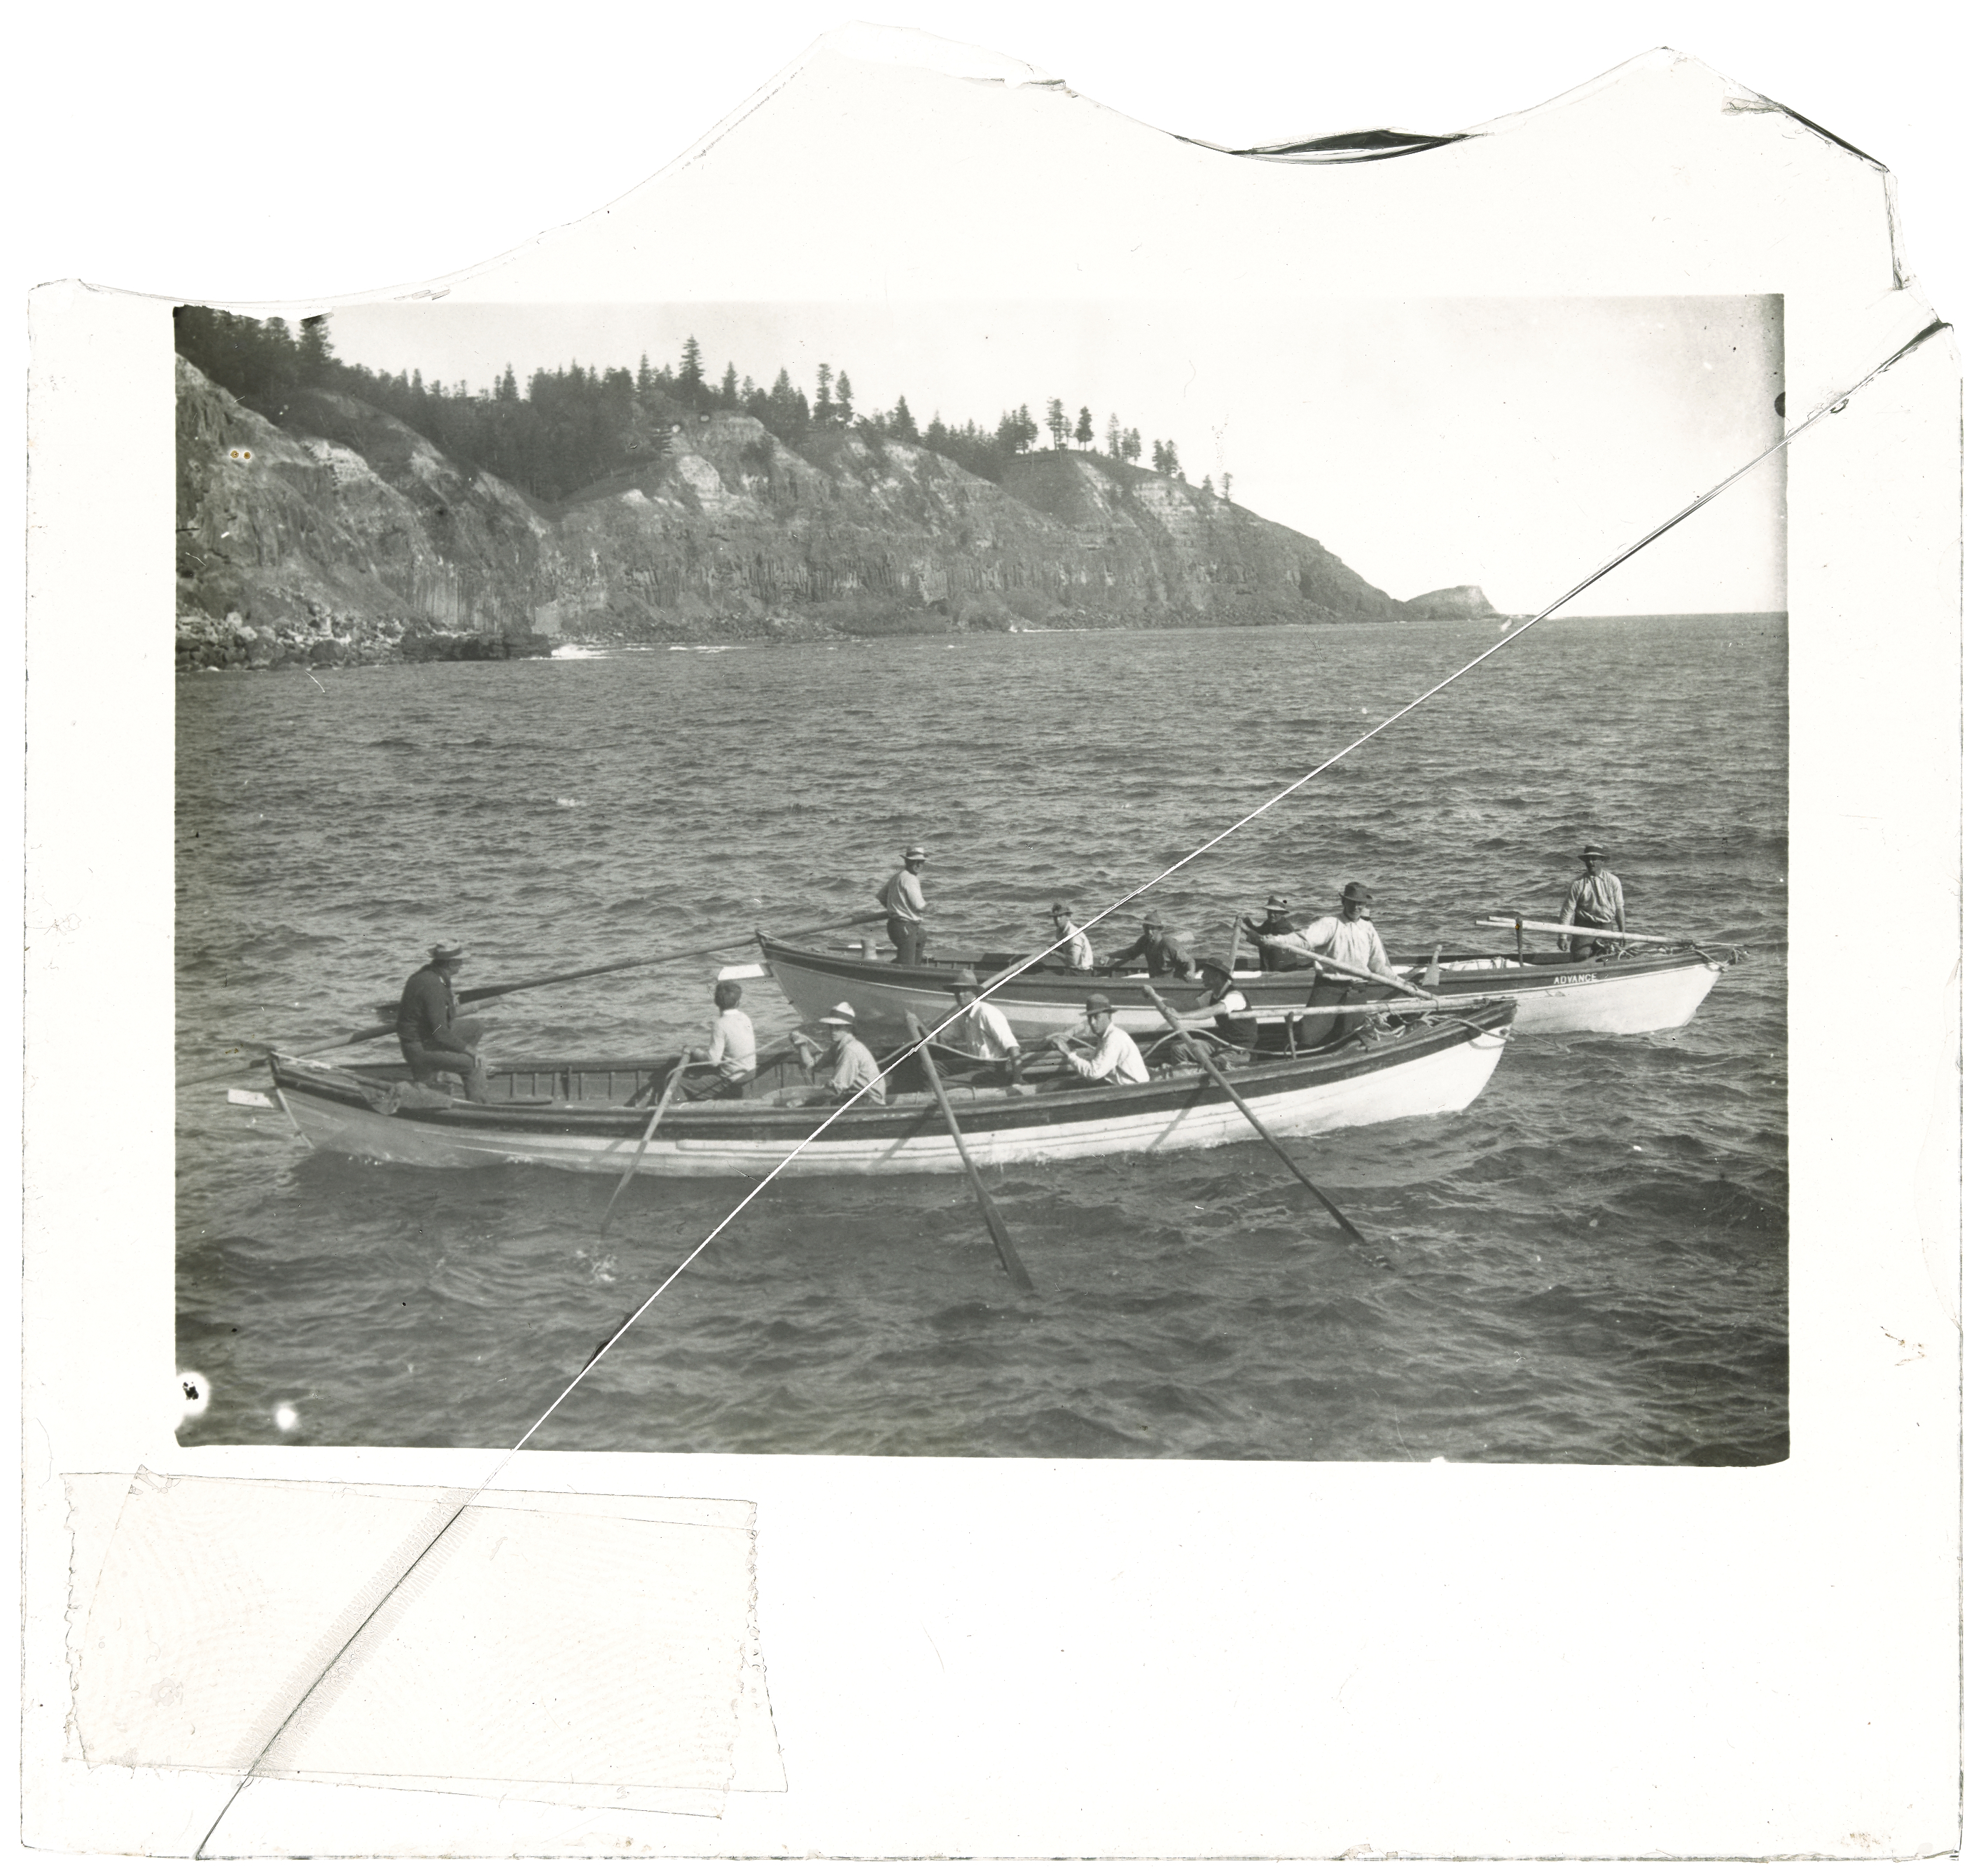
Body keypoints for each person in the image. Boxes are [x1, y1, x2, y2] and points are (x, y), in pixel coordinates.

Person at [1293, 884, 1400, 1048]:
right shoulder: (1329, 924)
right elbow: (1303, 940)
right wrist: (1277, 941)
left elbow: (1379, 966)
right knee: (1309, 1035)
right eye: (1351, 902)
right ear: (1343, 901)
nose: (1356, 907)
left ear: (1365, 905)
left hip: (1357, 992)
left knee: (1351, 1037)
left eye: (1360, 904)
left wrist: (1401, 982)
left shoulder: (1368, 929)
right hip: (1329, 990)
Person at [396, 941, 492, 1103]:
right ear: (451, 963)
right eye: (460, 961)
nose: (462, 965)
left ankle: (445, 1071)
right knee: (475, 1066)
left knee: (475, 1027)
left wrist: (449, 999)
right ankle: (480, 1108)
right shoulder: (433, 986)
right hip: (420, 1048)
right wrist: (473, 1052)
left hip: (425, 1038)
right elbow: (440, 1034)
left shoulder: (430, 974)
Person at [792, 1002, 889, 1105]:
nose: (833, 1031)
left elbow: (834, 1090)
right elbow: (811, 1064)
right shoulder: (838, 1047)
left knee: (825, 1101)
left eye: (838, 1027)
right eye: (831, 1027)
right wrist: (802, 1045)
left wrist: (802, 1100)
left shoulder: (850, 1050)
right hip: (856, 1096)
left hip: (870, 1101)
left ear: (849, 1028)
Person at [1050, 992, 1150, 1085]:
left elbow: (1093, 1073)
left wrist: (1068, 1053)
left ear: (1109, 1016)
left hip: (1132, 1090)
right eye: (1090, 1018)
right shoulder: (1106, 1037)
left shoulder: (1114, 1038)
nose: (1092, 1022)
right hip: (1120, 1086)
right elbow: (1095, 1064)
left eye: (1096, 1017)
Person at [945, 968, 1023, 1081]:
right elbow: (943, 1038)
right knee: (928, 1068)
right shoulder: (962, 1015)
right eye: (957, 990)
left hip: (992, 1069)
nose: (960, 994)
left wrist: (1017, 1080)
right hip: (974, 1064)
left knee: (941, 1084)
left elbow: (1012, 1047)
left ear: (974, 993)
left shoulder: (987, 1013)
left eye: (965, 990)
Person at [685, 978, 756, 1099]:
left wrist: (694, 1051)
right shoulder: (745, 1018)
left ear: (716, 1003)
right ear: (738, 1002)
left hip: (732, 1081)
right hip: (750, 1074)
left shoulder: (720, 1024)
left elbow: (713, 1062)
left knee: (681, 1084)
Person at [1559, 842, 1627, 959]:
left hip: (1606, 927)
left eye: (1594, 859)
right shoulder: (1578, 884)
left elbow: (1619, 908)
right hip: (1584, 928)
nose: (1590, 863)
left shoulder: (1614, 881)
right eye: (1588, 859)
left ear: (1602, 861)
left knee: (1607, 958)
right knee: (1580, 958)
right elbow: (1567, 911)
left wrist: (1622, 933)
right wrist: (1562, 937)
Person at [877, 844, 929, 966]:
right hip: (905, 928)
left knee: (922, 936)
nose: (918, 865)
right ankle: (907, 970)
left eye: (921, 862)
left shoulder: (898, 876)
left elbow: (882, 897)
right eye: (914, 862)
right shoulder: (910, 879)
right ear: (907, 862)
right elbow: (920, 907)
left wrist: (896, 908)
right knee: (907, 966)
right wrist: (930, 908)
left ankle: (913, 968)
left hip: (897, 927)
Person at [1194, 957, 1261, 1050]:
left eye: (1205, 973)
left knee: (1215, 1063)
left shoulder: (1235, 997)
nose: (1202, 976)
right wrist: (1166, 1004)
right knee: (1179, 1048)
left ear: (1217, 976)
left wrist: (1180, 1016)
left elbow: (1212, 1011)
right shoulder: (1210, 995)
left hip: (1240, 1050)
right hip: (1223, 1045)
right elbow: (1186, 1006)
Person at [1103, 911, 1196, 979]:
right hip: (1154, 983)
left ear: (1159, 929)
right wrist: (1109, 956)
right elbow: (1130, 953)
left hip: (1171, 984)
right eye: (1146, 928)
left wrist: (1191, 972)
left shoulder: (1169, 944)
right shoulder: (1144, 941)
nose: (1149, 932)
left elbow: (1189, 961)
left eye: (1153, 928)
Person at [1242, 894, 1305, 973]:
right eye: (1270, 911)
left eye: (1276, 912)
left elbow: (1265, 942)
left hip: (1284, 972)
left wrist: (1246, 929)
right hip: (1269, 968)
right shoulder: (1269, 923)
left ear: (1282, 913)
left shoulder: (1285, 929)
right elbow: (1259, 933)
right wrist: (1247, 921)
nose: (1272, 915)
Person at [1045, 901, 1094, 972]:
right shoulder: (1060, 931)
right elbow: (1067, 949)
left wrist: (1054, 952)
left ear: (1068, 917)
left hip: (1082, 972)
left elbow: (1074, 962)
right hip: (1072, 969)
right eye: (1055, 917)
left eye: (1060, 916)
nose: (1057, 920)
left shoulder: (1073, 935)